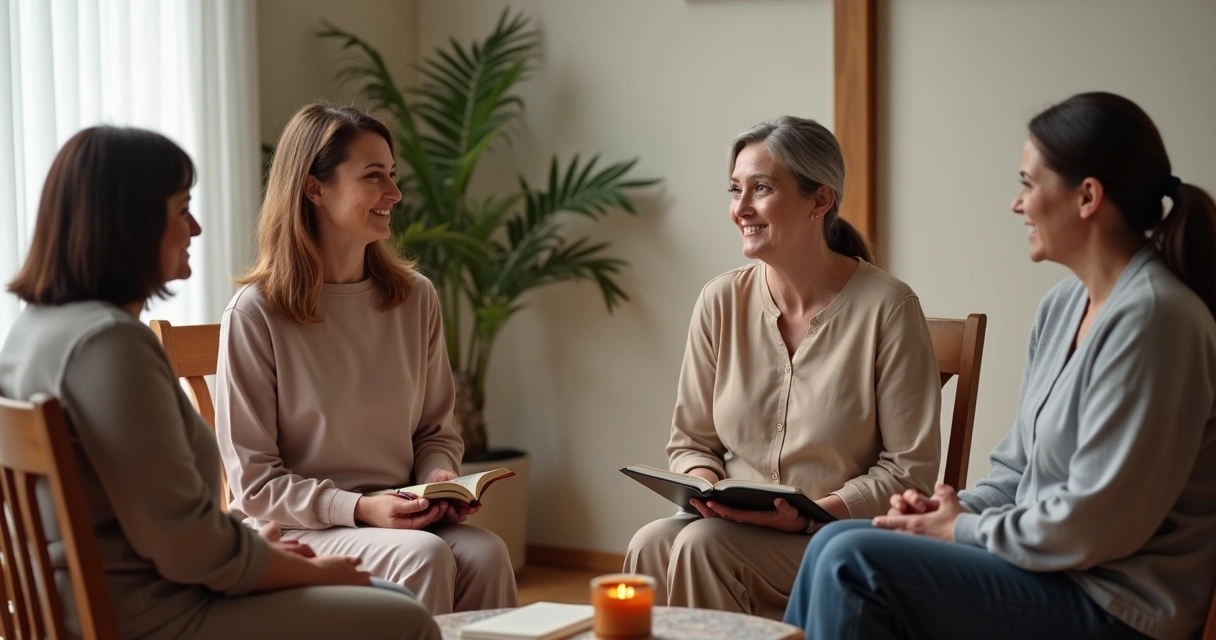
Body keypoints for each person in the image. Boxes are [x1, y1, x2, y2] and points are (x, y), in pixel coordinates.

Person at [784, 92, 1216, 640]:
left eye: (1029, 184)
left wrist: (961, 530)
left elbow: (1094, 526)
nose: (1017, 204)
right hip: (1046, 571)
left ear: (1087, 197)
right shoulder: (1062, 307)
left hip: (1116, 604)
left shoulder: (1156, 320)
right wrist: (944, 513)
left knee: (854, 562)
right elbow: (1017, 472)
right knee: (829, 543)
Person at [0, 125, 439, 639]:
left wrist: (262, 552)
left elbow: (170, 525)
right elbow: (185, 543)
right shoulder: (108, 347)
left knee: (391, 595)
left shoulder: (34, 330)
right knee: (404, 617)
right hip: (153, 615)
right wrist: (311, 568)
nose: (196, 228)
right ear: (130, 222)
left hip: (103, 603)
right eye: (181, 209)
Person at [623, 116, 942, 620]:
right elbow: (691, 442)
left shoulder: (889, 308)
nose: (740, 208)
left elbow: (910, 473)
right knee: (650, 545)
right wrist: (706, 487)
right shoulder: (720, 300)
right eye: (735, 189)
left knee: (703, 546)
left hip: (836, 538)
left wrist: (810, 518)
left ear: (820, 201)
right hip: (729, 525)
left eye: (762, 188)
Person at [216, 103, 517, 615]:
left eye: (393, 175)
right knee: (424, 556)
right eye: (374, 176)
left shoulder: (415, 298)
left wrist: (440, 480)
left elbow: (436, 431)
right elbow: (254, 483)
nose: (395, 193)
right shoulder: (256, 313)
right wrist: (358, 508)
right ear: (315, 188)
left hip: (398, 516)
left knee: (487, 554)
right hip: (299, 528)